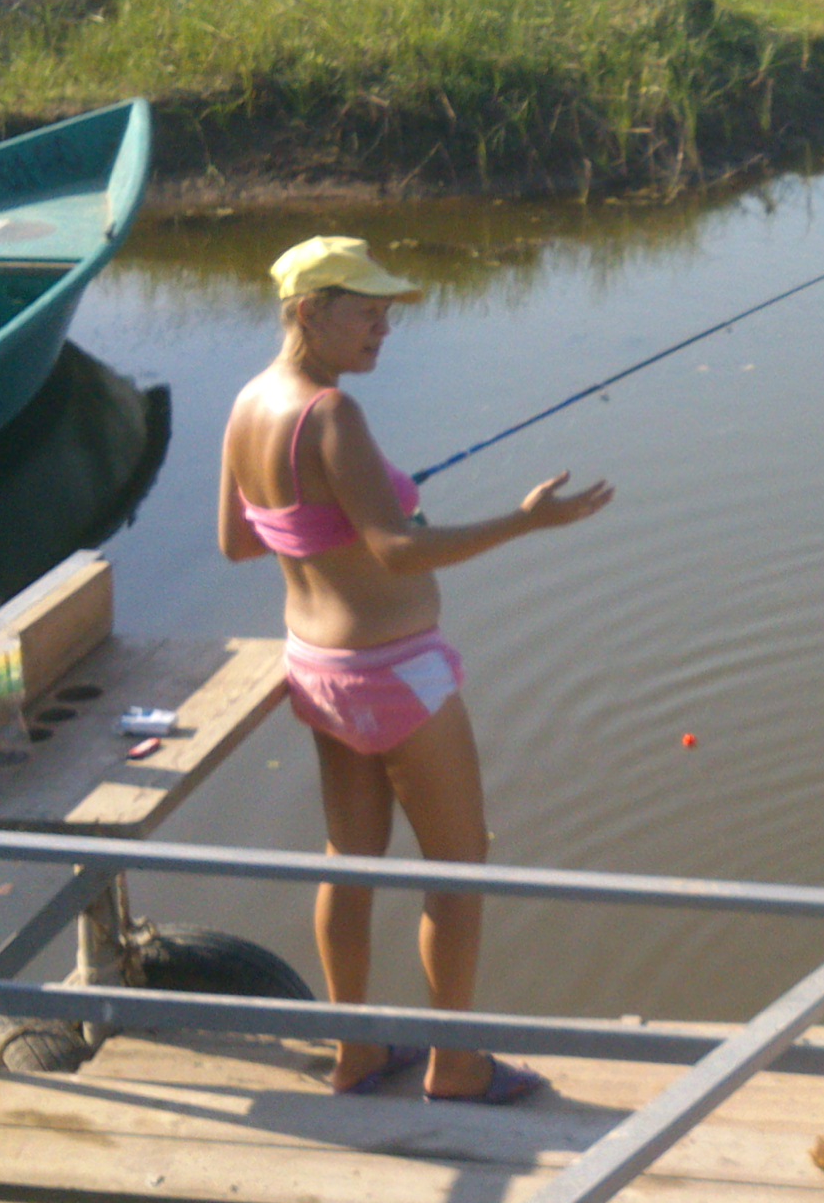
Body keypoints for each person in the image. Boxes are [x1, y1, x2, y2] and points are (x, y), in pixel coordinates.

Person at [219, 237, 614, 1104]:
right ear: (309, 311)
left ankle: (356, 1052)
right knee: (458, 866)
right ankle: (456, 1063)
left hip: (315, 669)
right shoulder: (330, 415)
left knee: (351, 859)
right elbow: (398, 554)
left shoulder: (250, 404)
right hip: (396, 674)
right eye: (366, 310)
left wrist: (348, 509)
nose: (383, 327)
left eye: (387, 310)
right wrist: (525, 523)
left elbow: (240, 539)